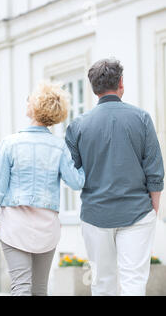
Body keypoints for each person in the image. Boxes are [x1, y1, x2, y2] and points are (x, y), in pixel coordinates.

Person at [65, 58, 164, 296]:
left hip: (95, 215)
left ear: (93, 88)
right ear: (121, 82)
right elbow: (155, 171)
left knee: (102, 284)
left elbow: (73, 174)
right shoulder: (141, 118)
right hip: (137, 213)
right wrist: (153, 209)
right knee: (133, 282)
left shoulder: (77, 126)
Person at [0, 81, 85, 296]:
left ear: (35, 108)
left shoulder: (10, 144)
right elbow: (77, 182)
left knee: (20, 287)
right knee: (40, 289)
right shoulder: (59, 146)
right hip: (47, 228)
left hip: (15, 227)